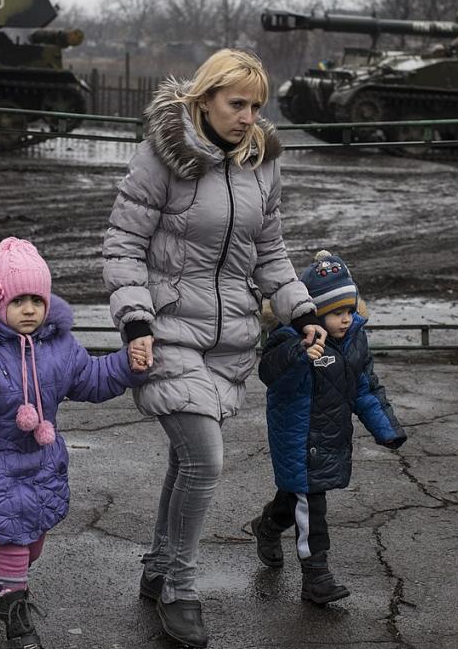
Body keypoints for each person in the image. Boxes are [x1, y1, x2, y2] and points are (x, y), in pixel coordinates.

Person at [102, 48, 328, 648]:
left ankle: (157, 567)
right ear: (203, 100)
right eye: (236, 104)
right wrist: (135, 320)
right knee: (204, 458)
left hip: (230, 340)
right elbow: (124, 245)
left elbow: (270, 251)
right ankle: (179, 587)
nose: (248, 117)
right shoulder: (162, 156)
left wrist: (301, 308)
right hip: (167, 328)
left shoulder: (262, 164)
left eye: (256, 106)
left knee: (187, 460)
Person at [0, 237, 148, 649]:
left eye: (37, 299)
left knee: (31, 545)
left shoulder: (59, 349)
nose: (30, 309)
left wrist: (127, 363)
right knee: (17, 544)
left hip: (42, 465)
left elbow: (93, 379)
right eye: (18, 301)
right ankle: (17, 618)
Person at [249, 250, 407, 605]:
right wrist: (297, 355)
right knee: (311, 504)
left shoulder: (354, 340)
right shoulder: (290, 338)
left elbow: (364, 387)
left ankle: (268, 526)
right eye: (337, 312)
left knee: (296, 496)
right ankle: (316, 577)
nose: (346, 319)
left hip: (330, 435)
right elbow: (269, 373)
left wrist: (386, 429)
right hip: (297, 436)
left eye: (349, 310)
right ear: (315, 312)